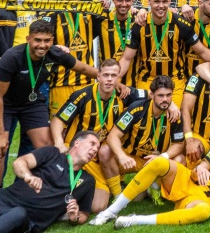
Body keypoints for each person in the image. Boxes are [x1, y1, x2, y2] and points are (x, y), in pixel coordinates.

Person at [90, 116, 210, 227]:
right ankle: (110, 211)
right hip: (189, 181)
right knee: (159, 162)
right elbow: (203, 165)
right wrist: (201, 168)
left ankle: (135, 220)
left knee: (203, 212)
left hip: (201, 199)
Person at [0, 18, 98, 190]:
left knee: (46, 146)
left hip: (30, 102)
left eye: (47, 40)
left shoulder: (55, 54)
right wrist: (0, 134)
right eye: (37, 40)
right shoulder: (12, 57)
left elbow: (83, 69)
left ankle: (37, 190)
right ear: (28, 39)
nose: (42, 45)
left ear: (53, 41)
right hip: (4, 103)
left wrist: (110, 80)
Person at [51, 59, 148, 211]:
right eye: (106, 75)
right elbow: (58, 120)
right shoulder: (82, 96)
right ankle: (116, 192)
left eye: (113, 76)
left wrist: (172, 106)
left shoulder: (124, 94)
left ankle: (118, 191)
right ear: (98, 76)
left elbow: (153, 95)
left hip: (100, 157)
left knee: (98, 207)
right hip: (80, 156)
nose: (109, 79)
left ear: (118, 78)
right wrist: (58, 142)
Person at [118, 0, 210, 106]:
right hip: (148, 81)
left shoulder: (181, 24)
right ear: (149, 1)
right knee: (147, 119)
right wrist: (115, 79)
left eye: (164, 1)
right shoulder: (139, 25)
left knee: (174, 118)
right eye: (156, 2)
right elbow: (126, 58)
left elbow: (202, 51)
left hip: (175, 82)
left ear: (169, 1)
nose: (161, 6)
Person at [104, 76, 185, 192]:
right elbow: (113, 136)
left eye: (168, 95)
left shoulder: (175, 115)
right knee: (105, 151)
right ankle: (117, 194)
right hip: (132, 159)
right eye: (160, 96)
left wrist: (163, 157)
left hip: (156, 161)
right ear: (152, 95)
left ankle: (158, 187)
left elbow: (179, 144)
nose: (165, 99)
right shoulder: (136, 109)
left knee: (180, 158)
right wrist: (122, 156)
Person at [47, 0, 105, 116]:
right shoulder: (53, 13)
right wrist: (56, 47)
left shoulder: (91, 9)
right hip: (61, 82)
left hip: (87, 81)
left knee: (86, 125)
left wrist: (105, 6)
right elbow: (43, 45)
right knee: (60, 127)